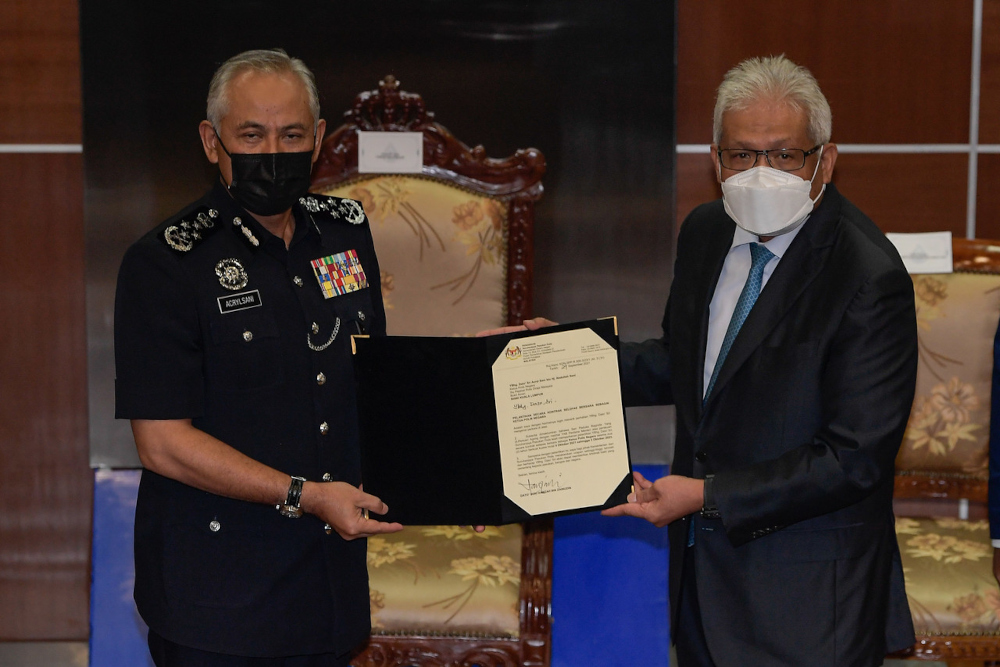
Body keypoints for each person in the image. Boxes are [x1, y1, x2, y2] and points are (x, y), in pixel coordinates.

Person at [510, 55, 917, 665]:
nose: (761, 172)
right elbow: (687, 364)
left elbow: (852, 458)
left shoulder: (867, 275)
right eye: (742, 154)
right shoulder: (705, 231)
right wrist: (562, 358)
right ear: (714, 159)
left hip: (806, 603)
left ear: (823, 162)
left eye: (784, 155)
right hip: (703, 584)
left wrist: (706, 495)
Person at [114, 49, 403, 667]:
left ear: (319, 138)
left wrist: (489, 358)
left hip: (329, 580)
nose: (273, 150)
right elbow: (162, 443)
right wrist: (304, 495)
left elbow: (373, 374)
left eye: (291, 133)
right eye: (251, 134)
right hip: (219, 596)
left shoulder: (346, 232)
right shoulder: (166, 263)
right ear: (211, 141)